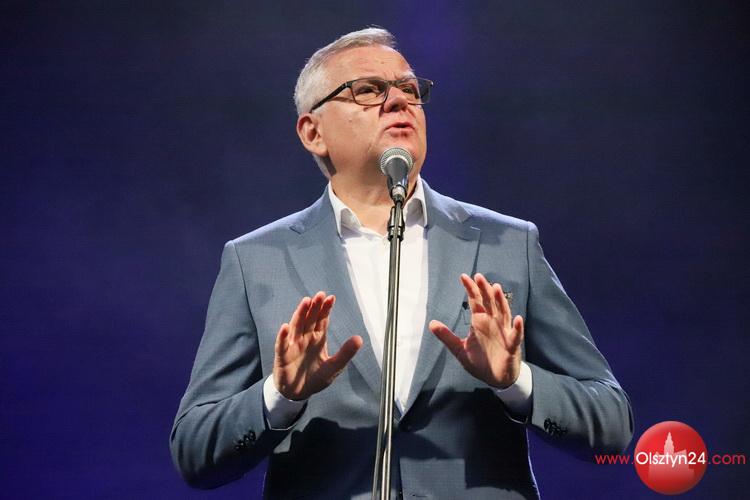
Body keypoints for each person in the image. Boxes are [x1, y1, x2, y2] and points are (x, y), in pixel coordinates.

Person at [170, 28, 633, 499]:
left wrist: (517, 381)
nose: (398, 102)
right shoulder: (255, 260)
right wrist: (280, 395)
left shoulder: (508, 243)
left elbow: (611, 423)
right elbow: (194, 452)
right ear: (313, 132)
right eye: (368, 90)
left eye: (410, 89)